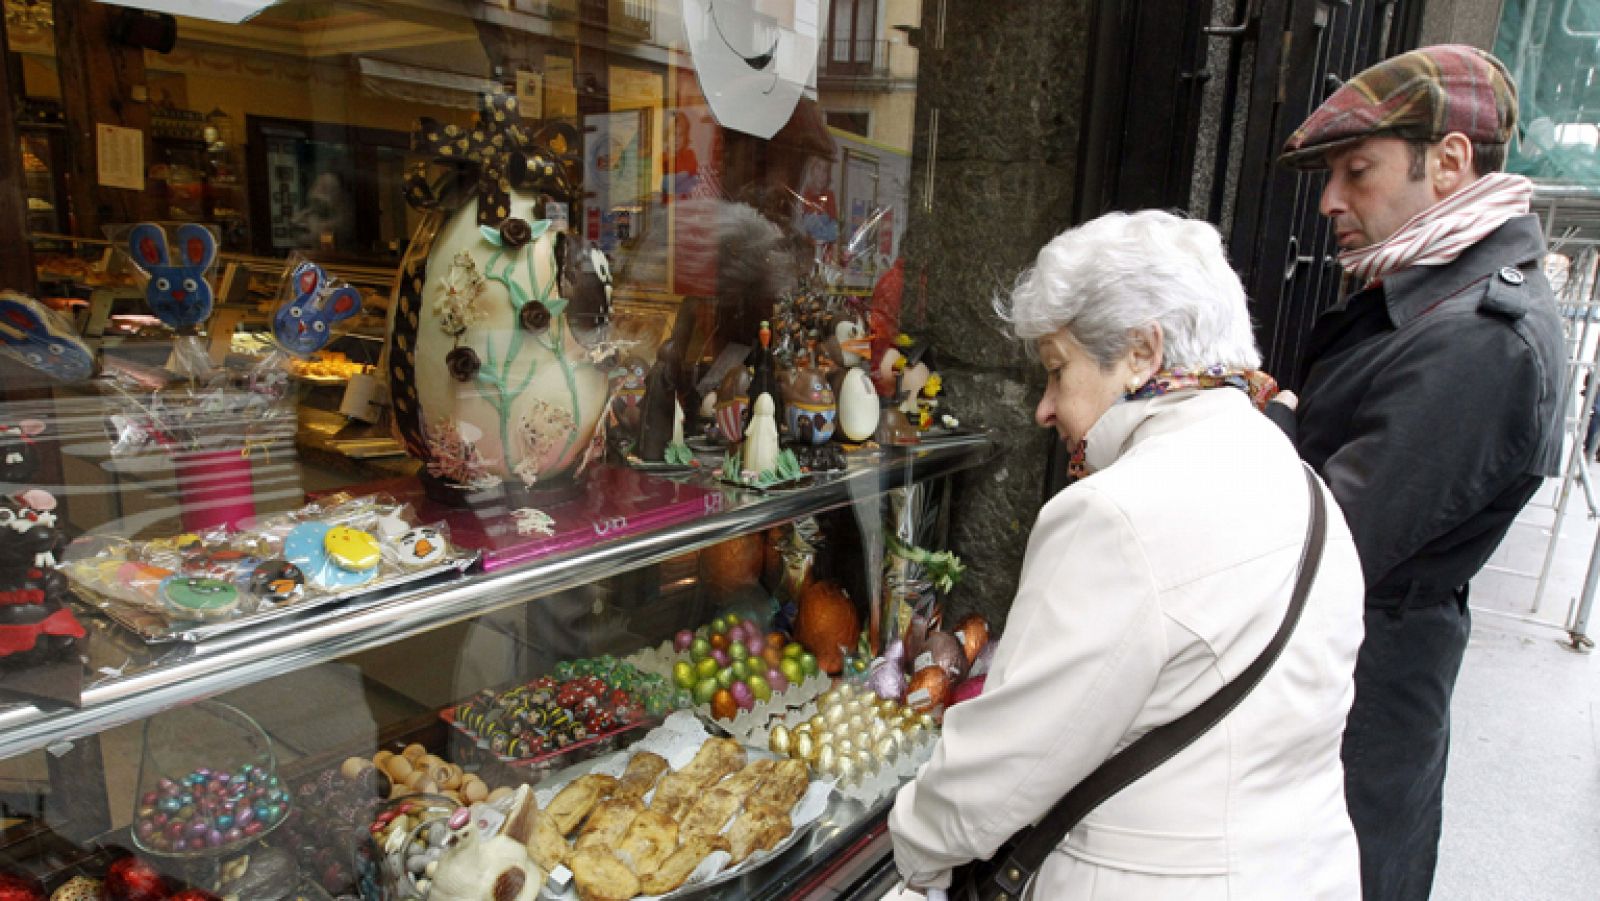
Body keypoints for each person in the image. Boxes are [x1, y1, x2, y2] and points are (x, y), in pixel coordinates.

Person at [888, 210, 1366, 899]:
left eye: (1057, 370)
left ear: (1143, 351)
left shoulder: (1117, 513)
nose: (1044, 409)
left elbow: (1003, 764)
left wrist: (917, 853)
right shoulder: (1308, 489)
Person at [1273, 45, 1564, 900]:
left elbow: (1331, 540)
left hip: (1358, 702)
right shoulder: (1431, 297)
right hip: (1354, 681)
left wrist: (1267, 423)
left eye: (1355, 171)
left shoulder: (1480, 335)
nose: (1330, 200)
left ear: (1448, 162)